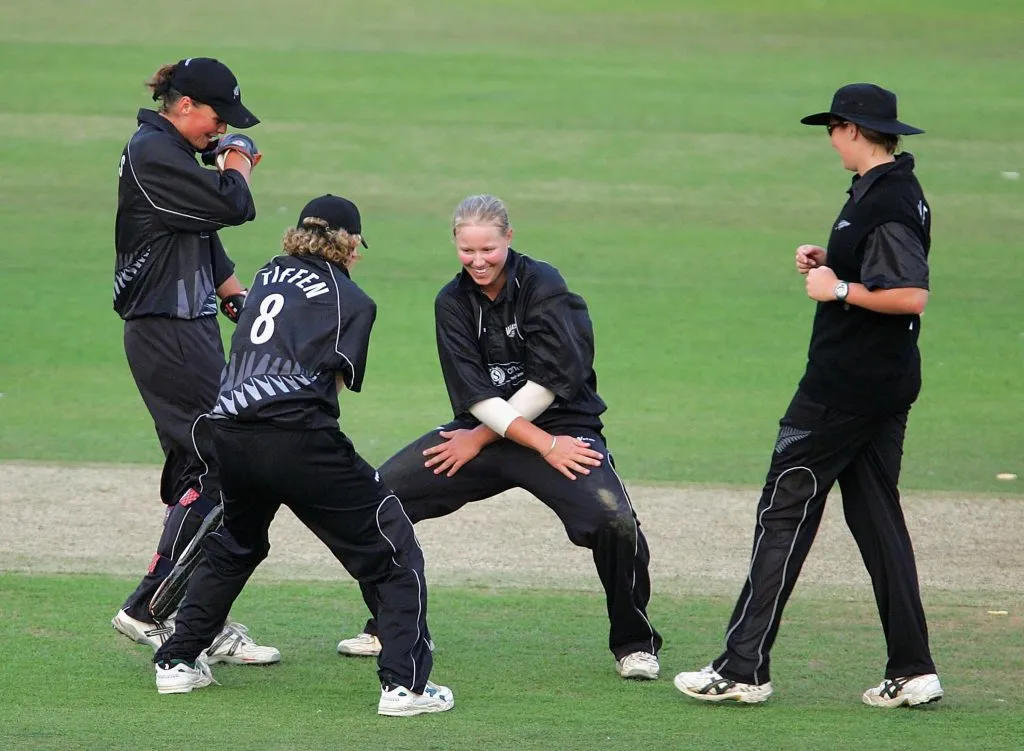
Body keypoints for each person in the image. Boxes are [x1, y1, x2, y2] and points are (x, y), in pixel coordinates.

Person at [674, 83, 942, 708]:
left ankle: (743, 668)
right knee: (878, 523)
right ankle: (914, 668)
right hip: (884, 383)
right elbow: (881, 268)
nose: (830, 140)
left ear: (851, 128)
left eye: (832, 128)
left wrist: (838, 291)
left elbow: (910, 294)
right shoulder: (884, 189)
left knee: (783, 513)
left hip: (840, 391)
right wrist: (833, 263)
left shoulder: (891, 199)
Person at [337, 194, 663, 680]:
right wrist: (478, 436)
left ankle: (635, 643)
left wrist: (528, 443)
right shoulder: (451, 301)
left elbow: (551, 382)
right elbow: (473, 393)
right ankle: (391, 624)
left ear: (508, 238)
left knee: (614, 522)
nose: (478, 260)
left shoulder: (544, 285)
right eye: (467, 251)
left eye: (488, 249)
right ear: (455, 245)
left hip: (561, 429)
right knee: (377, 499)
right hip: (486, 427)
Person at [151, 195, 454, 717]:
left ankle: (177, 662)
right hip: (297, 440)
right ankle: (405, 688)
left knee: (235, 544)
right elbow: (331, 385)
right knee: (392, 550)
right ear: (348, 242)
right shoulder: (351, 300)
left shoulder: (268, 275)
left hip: (230, 433)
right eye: (358, 244)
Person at [111, 57, 278, 665]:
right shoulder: (153, 151)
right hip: (168, 331)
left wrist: (232, 291)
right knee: (222, 464)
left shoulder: (173, 155)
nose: (221, 127)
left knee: (198, 473)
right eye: (217, 117)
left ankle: (194, 613)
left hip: (188, 326)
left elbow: (201, 232)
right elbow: (232, 203)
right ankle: (152, 609)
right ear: (183, 105)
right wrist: (237, 156)